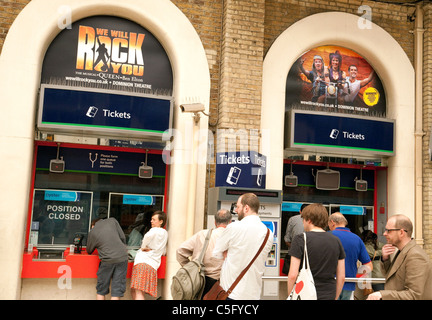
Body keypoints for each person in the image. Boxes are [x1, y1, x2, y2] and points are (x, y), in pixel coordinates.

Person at [212, 193, 273, 300]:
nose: (236, 210)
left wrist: (228, 253)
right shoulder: (268, 233)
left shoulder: (233, 227)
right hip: (253, 295)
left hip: (231, 293)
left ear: (246, 208)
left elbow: (216, 253)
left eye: (238, 207)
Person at [287, 204, 345, 300]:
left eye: (303, 220)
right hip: (329, 293)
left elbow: (293, 275)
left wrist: (291, 295)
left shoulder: (300, 239)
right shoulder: (336, 240)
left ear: (309, 220)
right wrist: (335, 296)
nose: (303, 223)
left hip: (305, 294)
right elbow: (341, 276)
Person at [367, 214, 432, 300]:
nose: (384, 233)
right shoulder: (403, 251)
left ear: (401, 232)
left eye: (388, 230)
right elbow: (393, 278)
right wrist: (385, 259)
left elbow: (414, 295)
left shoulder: (415, 256)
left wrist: (382, 294)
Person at [176, 209, 232, 297]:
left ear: (215, 222)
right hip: (223, 283)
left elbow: (180, 251)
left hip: (200, 281)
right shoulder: (233, 237)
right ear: (230, 222)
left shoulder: (203, 234)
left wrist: (190, 268)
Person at [328, 212, 372, 300]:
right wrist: (355, 276)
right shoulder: (357, 239)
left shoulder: (327, 236)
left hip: (329, 284)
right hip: (349, 284)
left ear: (332, 222)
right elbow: (369, 266)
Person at [86, 216, 128, 300]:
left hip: (107, 260)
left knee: (101, 289)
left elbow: (89, 250)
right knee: (117, 290)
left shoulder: (93, 232)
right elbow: (123, 237)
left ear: (93, 225)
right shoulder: (112, 221)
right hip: (122, 258)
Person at [131, 211, 168, 300]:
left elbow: (147, 237)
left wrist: (143, 247)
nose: (151, 221)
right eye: (151, 219)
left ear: (161, 221)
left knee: (138, 292)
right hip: (152, 265)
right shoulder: (165, 233)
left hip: (142, 263)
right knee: (135, 290)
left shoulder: (154, 230)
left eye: (154, 219)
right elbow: (164, 251)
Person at [282, 203, 307, 274]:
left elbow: (287, 239)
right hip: (308, 256)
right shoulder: (313, 220)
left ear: (300, 211)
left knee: (294, 274)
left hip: (294, 254)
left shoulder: (293, 219)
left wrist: (294, 247)